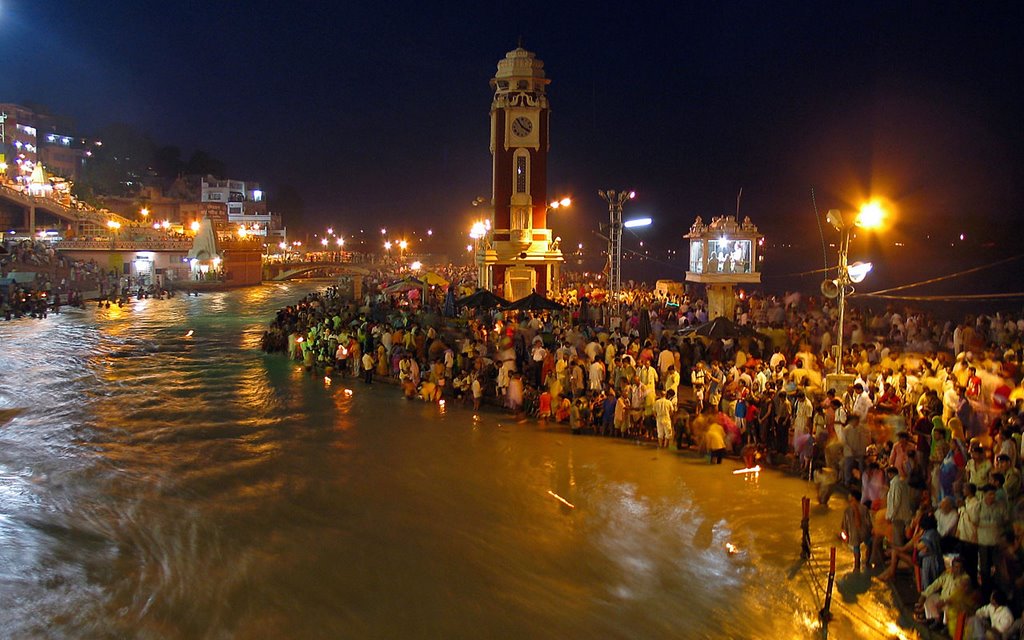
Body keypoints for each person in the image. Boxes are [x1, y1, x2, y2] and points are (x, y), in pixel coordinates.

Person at [917, 556, 970, 632]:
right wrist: (924, 595)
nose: (958, 569)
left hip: (954, 602)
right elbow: (936, 584)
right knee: (929, 599)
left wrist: (945, 601)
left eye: (960, 567)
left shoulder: (965, 579)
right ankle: (936, 619)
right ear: (953, 567)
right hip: (942, 598)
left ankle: (946, 625)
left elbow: (958, 595)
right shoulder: (947, 575)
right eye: (956, 567)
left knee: (949, 606)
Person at [841, 489, 872, 571]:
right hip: (864, 533)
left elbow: (844, 526)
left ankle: (856, 567)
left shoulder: (847, 510)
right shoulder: (864, 508)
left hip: (854, 534)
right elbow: (869, 523)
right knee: (869, 544)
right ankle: (867, 562)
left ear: (853, 498)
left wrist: (845, 535)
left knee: (856, 549)